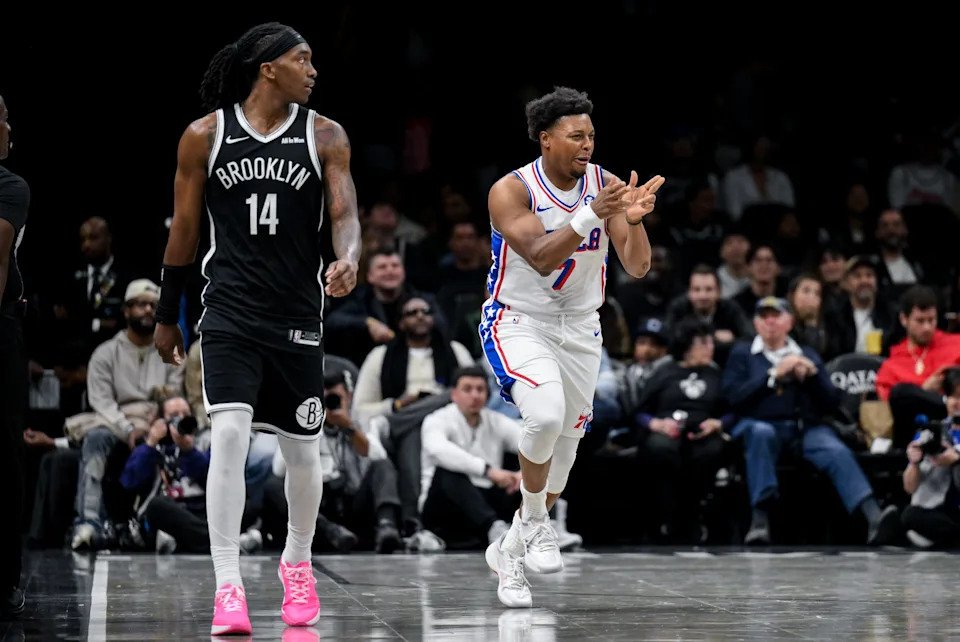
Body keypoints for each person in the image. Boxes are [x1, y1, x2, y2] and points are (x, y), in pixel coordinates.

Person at [153, 23, 361, 635]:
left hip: (297, 315)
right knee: (232, 435)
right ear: (268, 68)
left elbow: (344, 213)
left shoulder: (325, 134)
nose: (313, 69)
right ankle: (227, 584)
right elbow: (185, 231)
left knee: (303, 455)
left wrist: (346, 257)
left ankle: (297, 564)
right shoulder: (205, 136)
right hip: (230, 314)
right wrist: (169, 312)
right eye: (303, 59)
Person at [479, 86, 661, 607]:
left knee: (563, 456)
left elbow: (638, 266)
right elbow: (539, 255)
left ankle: (511, 550)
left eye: (592, 136)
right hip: (518, 319)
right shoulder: (510, 190)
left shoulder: (605, 186)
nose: (588, 144)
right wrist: (588, 217)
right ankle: (537, 524)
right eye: (576, 136)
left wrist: (632, 221)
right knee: (544, 415)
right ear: (546, 139)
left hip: (581, 327)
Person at [0, 93, 28, 618]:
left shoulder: (9, 188)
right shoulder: (10, 186)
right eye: (4, 119)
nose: (10, 129)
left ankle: (5, 579)